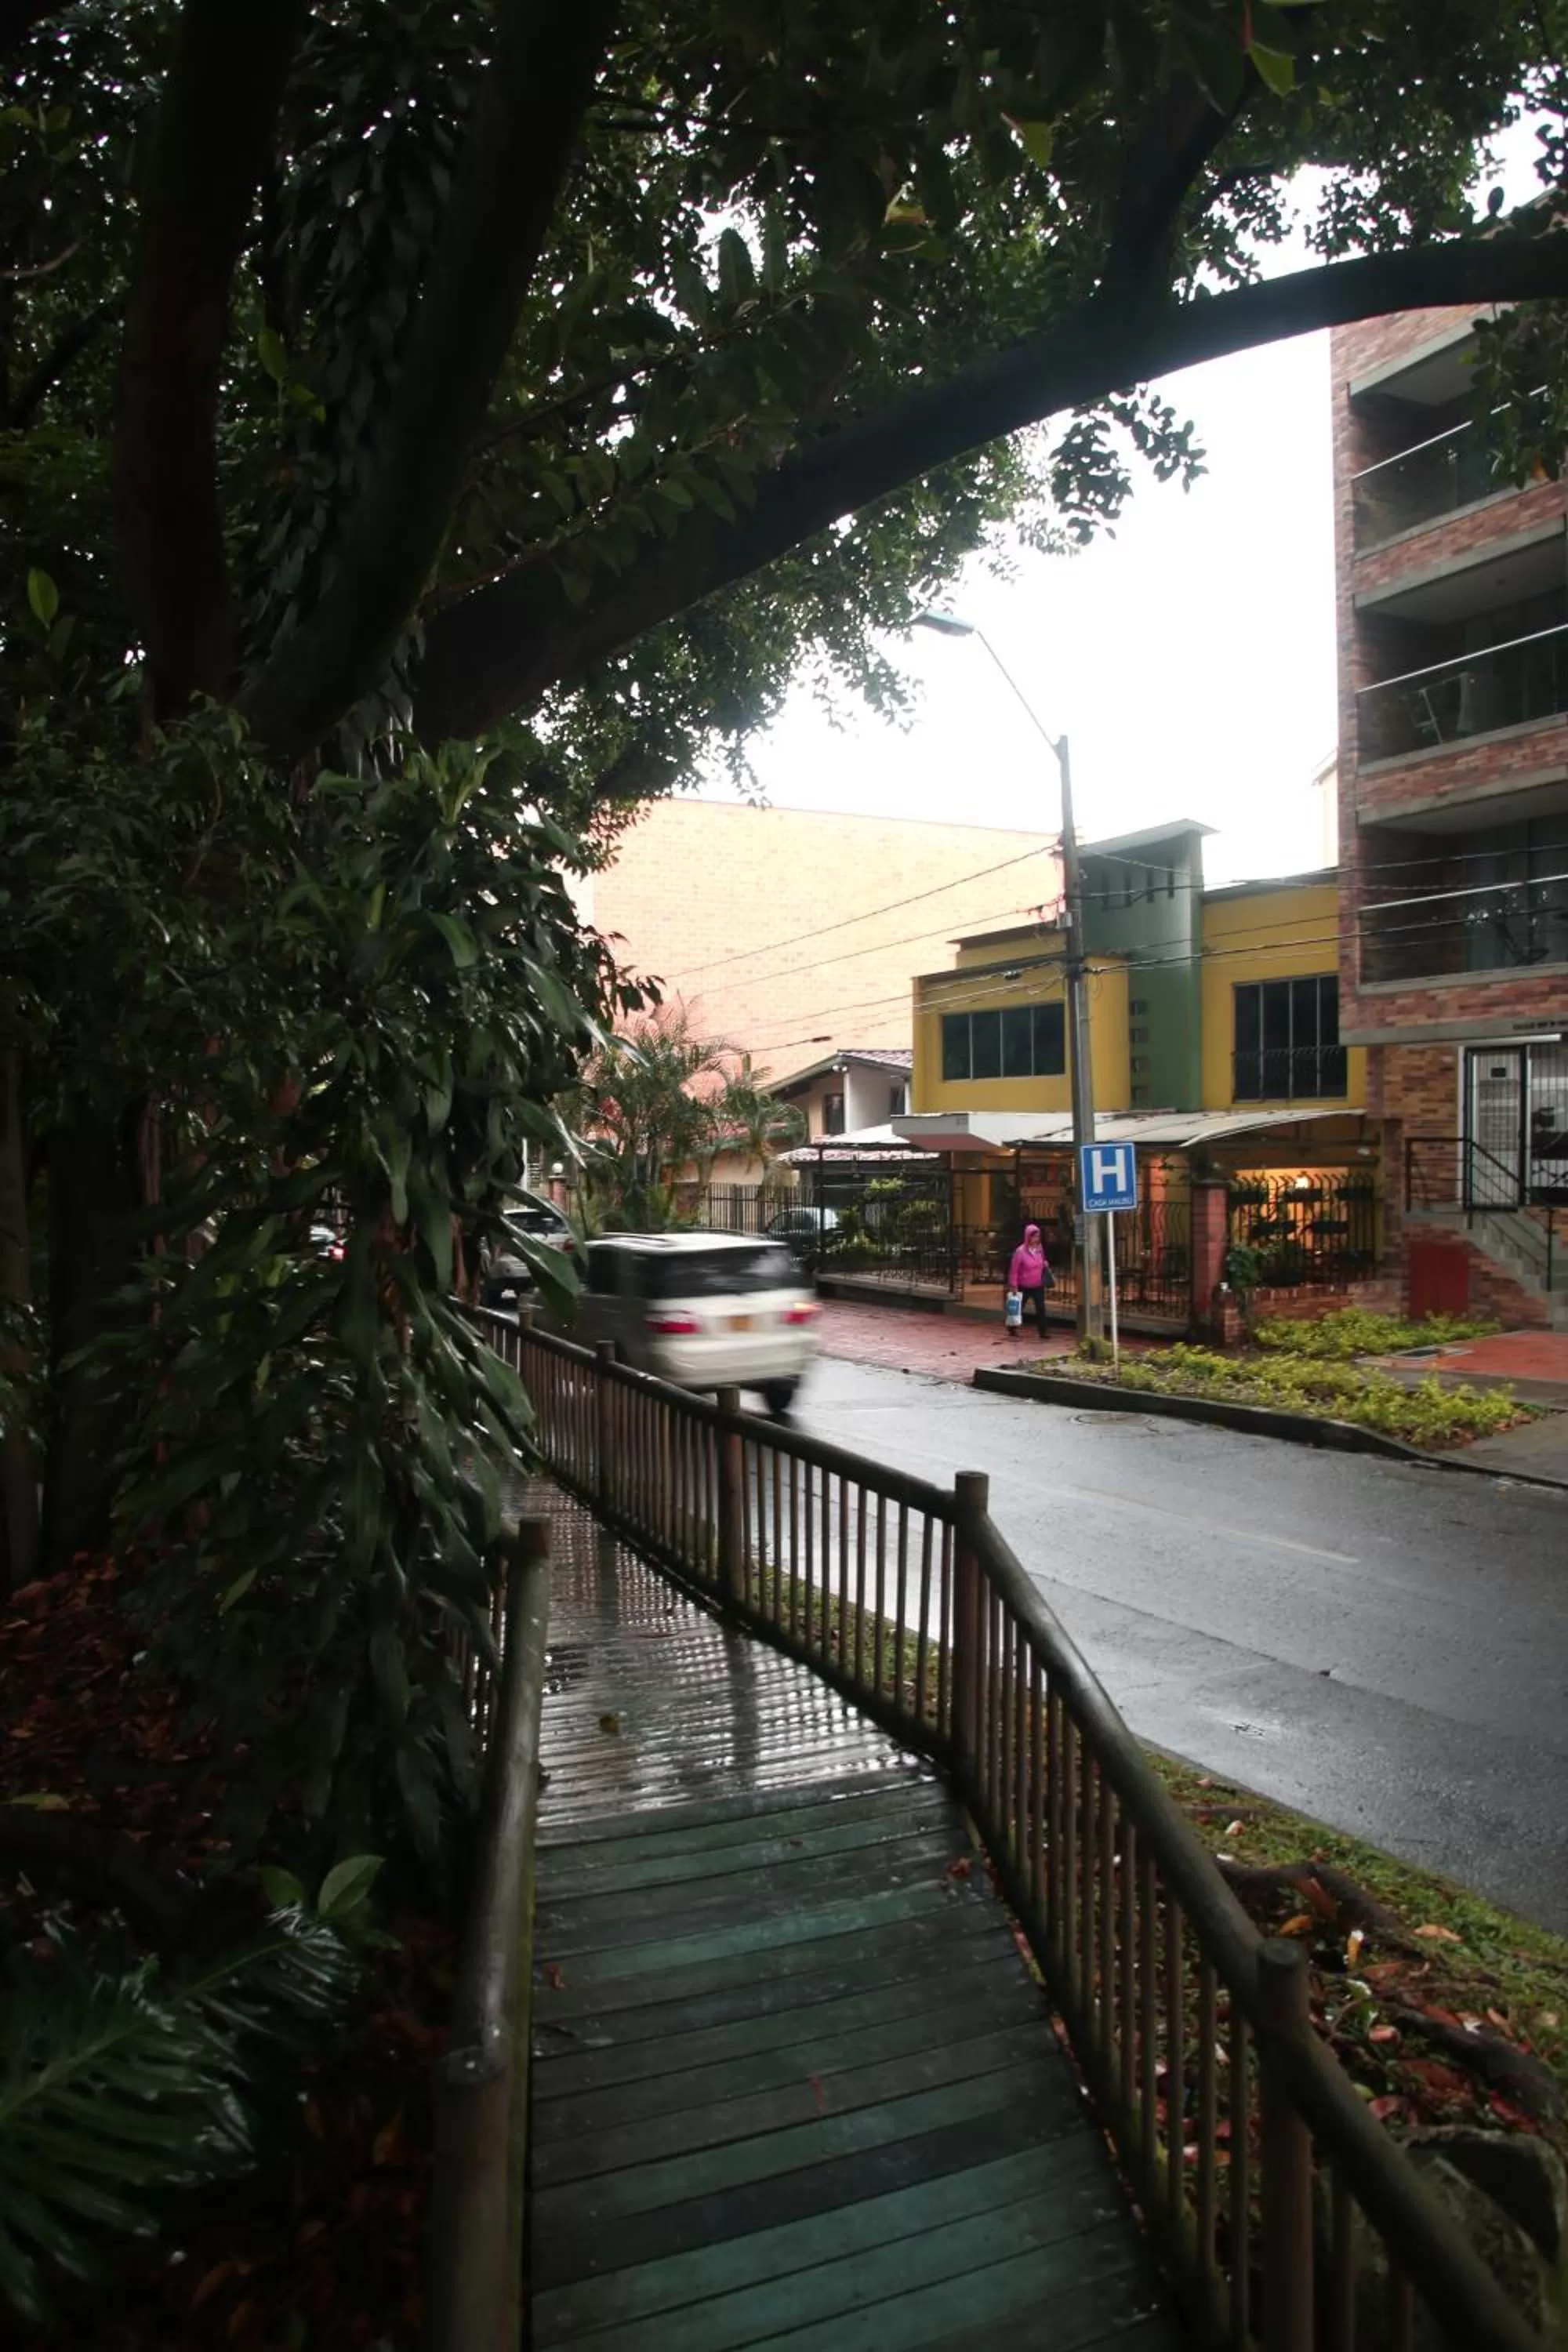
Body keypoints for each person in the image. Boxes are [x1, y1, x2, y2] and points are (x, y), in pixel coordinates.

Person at [1006, 1221, 1051, 1338]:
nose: (1036, 1239)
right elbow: (1014, 1270)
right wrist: (1014, 1285)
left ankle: (1043, 1332)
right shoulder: (1020, 1252)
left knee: (1041, 1308)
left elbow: (1042, 1260)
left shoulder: (1040, 1249)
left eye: (1038, 1237)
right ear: (1028, 1237)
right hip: (1024, 1285)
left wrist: (1044, 1264)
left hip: (1037, 1284)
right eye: (1034, 1237)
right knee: (1018, 1307)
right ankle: (1012, 1328)